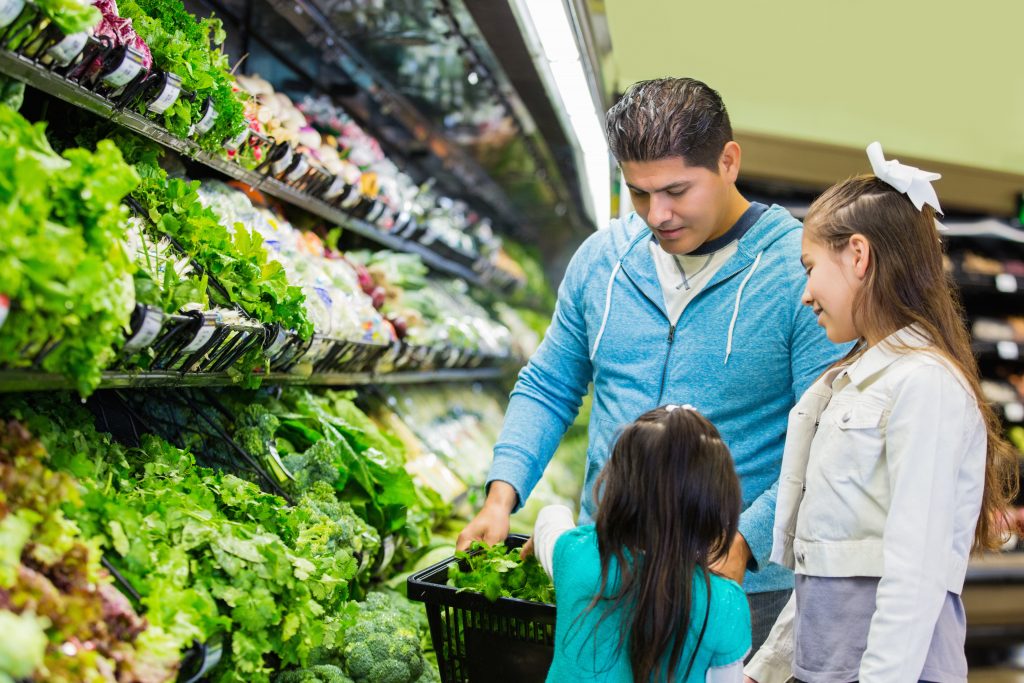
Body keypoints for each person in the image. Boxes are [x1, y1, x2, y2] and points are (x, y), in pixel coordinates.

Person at [457, 77, 847, 653]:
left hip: (740, 591)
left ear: (728, 161)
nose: (656, 215)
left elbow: (825, 435)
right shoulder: (603, 260)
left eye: (676, 191)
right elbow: (547, 385)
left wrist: (745, 540)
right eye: (639, 194)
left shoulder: (797, 272)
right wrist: (501, 496)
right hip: (609, 577)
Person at [744, 143, 1021, 683]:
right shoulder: (846, 383)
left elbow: (914, 568)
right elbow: (828, 561)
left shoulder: (927, 385)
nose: (806, 294)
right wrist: (768, 669)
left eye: (810, 268)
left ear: (858, 255)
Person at [533, 404, 751, 682]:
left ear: (618, 487)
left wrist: (551, 521)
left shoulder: (577, 554)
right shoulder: (723, 604)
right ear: (714, 504)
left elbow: (549, 520)